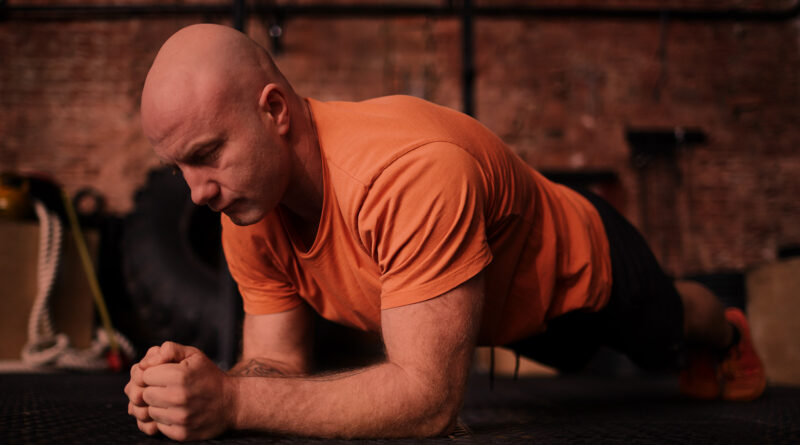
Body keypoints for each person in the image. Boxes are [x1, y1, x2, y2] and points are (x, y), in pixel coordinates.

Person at [124, 23, 766, 441]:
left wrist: (233, 405)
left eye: (208, 153)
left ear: (274, 110)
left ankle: (729, 329)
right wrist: (200, 389)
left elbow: (427, 401)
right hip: (487, 316)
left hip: (583, 273)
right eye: (178, 167)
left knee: (674, 331)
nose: (196, 192)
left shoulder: (408, 171)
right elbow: (280, 366)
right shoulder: (246, 207)